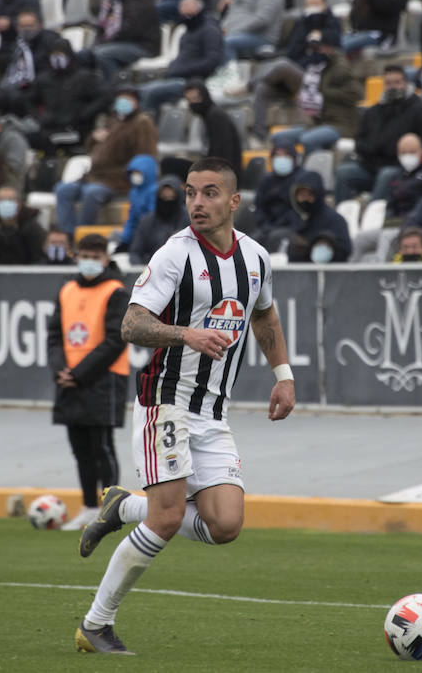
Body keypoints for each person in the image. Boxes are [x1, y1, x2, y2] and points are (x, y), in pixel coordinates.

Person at [74, 157, 295, 656]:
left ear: (234, 202)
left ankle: (124, 506)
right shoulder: (175, 255)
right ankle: (96, 624)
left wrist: (283, 376)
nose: (197, 202)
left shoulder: (256, 258)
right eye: (192, 192)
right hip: (165, 403)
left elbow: (264, 315)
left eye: (210, 192)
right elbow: (131, 325)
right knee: (169, 518)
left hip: (213, 412)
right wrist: (184, 333)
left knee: (226, 525)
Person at [45, 232, 132, 531]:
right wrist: (60, 371)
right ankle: (88, 507)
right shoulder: (66, 289)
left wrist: (79, 373)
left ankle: (110, 510)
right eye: (85, 257)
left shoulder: (116, 291)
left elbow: (115, 340)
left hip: (103, 379)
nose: (90, 263)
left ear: (106, 260)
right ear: (76, 256)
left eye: (96, 258)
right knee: (79, 448)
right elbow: (55, 336)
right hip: (69, 381)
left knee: (102, 447)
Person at [55, 88, 157, 234]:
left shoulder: (142, 123)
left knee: (91, 194)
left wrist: (129, 174)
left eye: (128, 99)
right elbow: (90, 149)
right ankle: (68, 234)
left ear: (136, 103)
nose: (123, 103)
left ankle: (83, 235)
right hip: (93, 177)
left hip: (117, 180)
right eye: (120, 99)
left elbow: (146, 157)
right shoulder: (113, 120)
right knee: (63, 190)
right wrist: (94, 138)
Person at [335, 65, 422, 202]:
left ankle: (374, 219)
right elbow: (360, 140)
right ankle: (341, 218)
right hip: (371, 166)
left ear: (406, 83)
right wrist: (369, 153)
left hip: (402, 168)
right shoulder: (373, 111)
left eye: (397, 82)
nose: (393, 87)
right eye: (389, 83)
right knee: (344, 172)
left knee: (386, 175)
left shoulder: (419, 110)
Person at [260, 25, 361, 152]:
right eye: (312, 47)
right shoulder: (316, 66)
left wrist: (323, 93)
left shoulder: (340, 67)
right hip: (318, 123)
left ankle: (318, 169)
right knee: (278, 138)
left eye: (318, 47)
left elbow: (358, 94)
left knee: (308, 140)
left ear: (328, 47)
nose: (313, 51)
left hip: (341, 124)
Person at [138, 0, 223, 117]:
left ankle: (147, 131)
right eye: (182, 9)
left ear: (198, 9)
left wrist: (183, 70)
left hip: (192, 82)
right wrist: (173, 68)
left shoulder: (210, 30)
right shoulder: (188, 32)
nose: (185, 13)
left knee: (151, 92)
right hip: (175, 78)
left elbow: (212, 61)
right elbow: (182, 57)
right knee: (139, 91)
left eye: (189, 9)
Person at [88, 0, 160, 82]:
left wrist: (107, 42)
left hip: (141, 45)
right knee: (84, 56)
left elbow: (132, 28)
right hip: (116, 44)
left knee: (102, 54)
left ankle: (116, 90)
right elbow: (101, 27)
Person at [286, 171, 351, 263]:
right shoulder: (294, 217)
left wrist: (326, 244)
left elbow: (345, 251)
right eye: (301, 195)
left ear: (318, 195)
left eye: (309, 195)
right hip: (300, 274)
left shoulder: (335, 219)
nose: (305, 199)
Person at [183, 81, 242, 175]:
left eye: (196, 98)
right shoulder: (205, 116)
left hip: (222, 173)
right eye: (189, 100)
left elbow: (223, 154)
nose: (193, 104)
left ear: (204, 96)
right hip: (210, 166)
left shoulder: (215, 116)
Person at [129, 176, 189, 265]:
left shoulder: (188, 219)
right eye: (163, 197)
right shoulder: (147, 221)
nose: (167, 201)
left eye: (171, 197)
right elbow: (135, 252)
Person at [0, 187, 46, 265]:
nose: (6, 203)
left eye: (10, 200)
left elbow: (39, 259)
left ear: (19, 204)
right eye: (1, 200)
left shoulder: (32, 228)